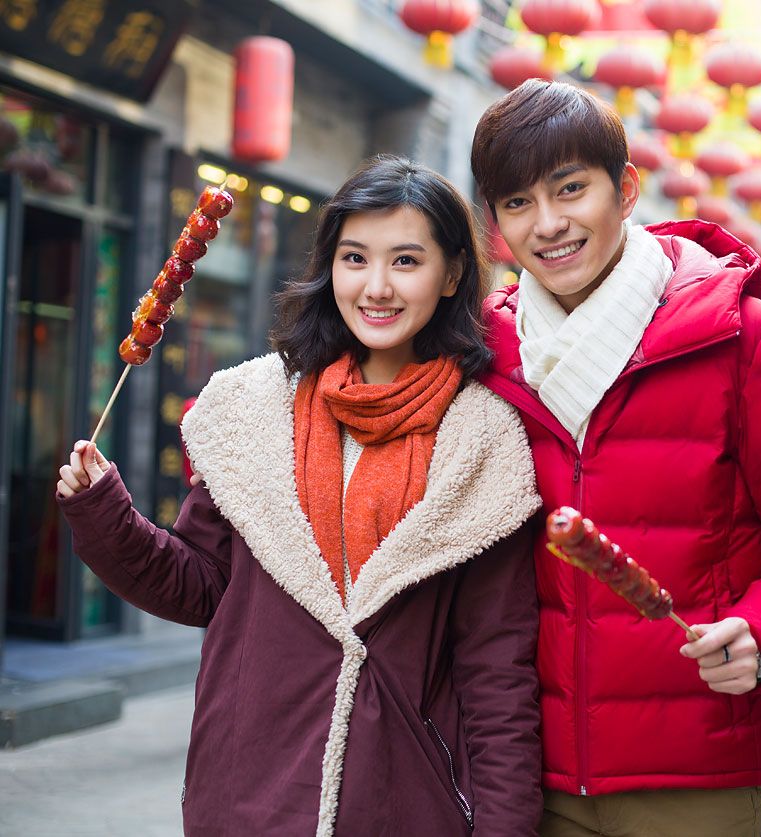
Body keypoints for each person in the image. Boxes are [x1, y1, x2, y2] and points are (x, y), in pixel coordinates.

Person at [56, 155, 544, 836]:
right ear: (329, 265)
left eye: (406, 261)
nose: (376, 287)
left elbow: (497, 671)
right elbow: (200, 586)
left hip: (401, 803)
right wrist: (103, 509)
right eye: (354, 258)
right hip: (246, 787)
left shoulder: (481, 441)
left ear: (452, 273)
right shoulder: (253, 408)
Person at [470, 79, 761, 837]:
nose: (549, 224)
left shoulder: (748, 341)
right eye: (518, 202)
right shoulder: (481, 351)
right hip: (521, 768)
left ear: (623, 190)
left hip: (693, 768)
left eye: (570, 189)